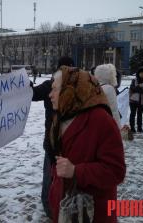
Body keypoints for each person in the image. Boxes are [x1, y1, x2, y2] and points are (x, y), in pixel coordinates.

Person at [48, 66, 126, 223]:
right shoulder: (60, 117)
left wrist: (76, 171)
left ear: (70, 90)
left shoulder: (101, 120)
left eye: (55, 89)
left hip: (92, 212)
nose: (50, 95)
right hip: (65, 208)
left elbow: (116, 171)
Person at [31, 56, 74, 218]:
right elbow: (33, 94)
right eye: (63, 68)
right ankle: (49, 208)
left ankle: (64, 203)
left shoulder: (77, 86)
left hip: (71, 140)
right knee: (50, 174)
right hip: (52, 139)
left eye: (70, 69)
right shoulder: (50, 85)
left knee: (66, 175)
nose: (66, 72)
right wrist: (24, 85)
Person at [94, 63, 121, 128]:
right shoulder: (109, 89)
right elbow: (114, 110)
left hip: (96, 121)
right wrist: (118, 127)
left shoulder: (95, 86)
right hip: (107, 123)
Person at [129, 67, 143, 133]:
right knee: (133, 114)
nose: (142, 74)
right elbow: (132, 89)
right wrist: (139, 86)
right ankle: (132, 127)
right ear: (138, 73)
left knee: (140, 115)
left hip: (142, 101)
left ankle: (139, 128)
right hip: (133, 100)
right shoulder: (134, 80)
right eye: (140, 73)